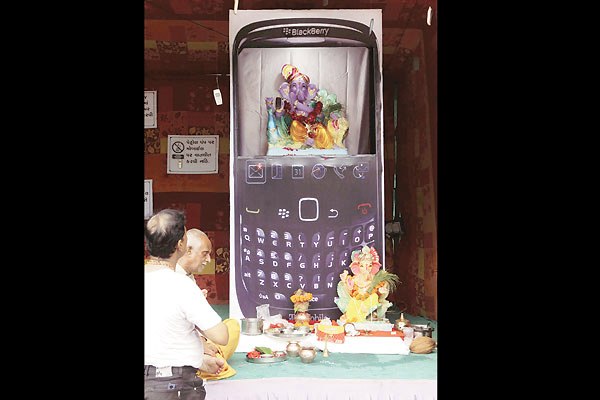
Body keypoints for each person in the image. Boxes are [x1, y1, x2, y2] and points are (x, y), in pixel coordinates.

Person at [145, 209, 229, 400]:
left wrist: (201, 361)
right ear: (180, 244)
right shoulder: (182, 285)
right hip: (174, 387)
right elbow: (221, 335)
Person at [175, 228, 240, 380]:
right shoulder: (174, 279)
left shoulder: (187, 276)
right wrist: (201, 344)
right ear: (188, 250)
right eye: (205, 254)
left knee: (233, 325)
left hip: (193, 338)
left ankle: (209, 355)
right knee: (222, 355)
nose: (209, 260)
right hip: (177, 346)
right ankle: (206, 360)